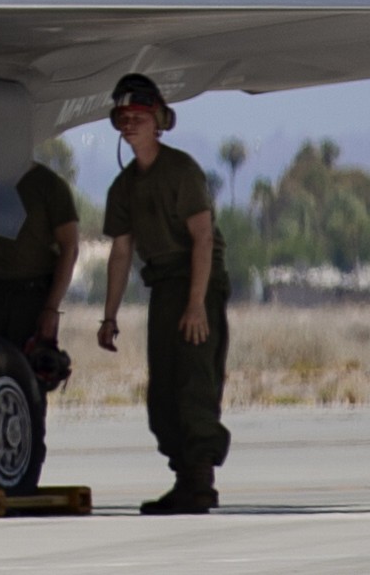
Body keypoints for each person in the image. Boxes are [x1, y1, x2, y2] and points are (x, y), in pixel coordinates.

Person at [93, 74, 229, 515]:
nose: (129, 124)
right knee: (163, 392)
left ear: (158, 121)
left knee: (193, 381)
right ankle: (184, 479)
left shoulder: (181, 171)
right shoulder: (124, 187)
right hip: (163, 286)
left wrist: (196, 304)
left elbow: (203, 239)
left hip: (196, 281)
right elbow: (120, 252)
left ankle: (199, 482)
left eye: (138, 116)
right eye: (122, 117)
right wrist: (109, 317)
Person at [0, 163, 80, 352]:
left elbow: (70, 247)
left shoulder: (50, 185)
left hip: (32, 296)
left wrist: (51, 308)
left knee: (26, 371)